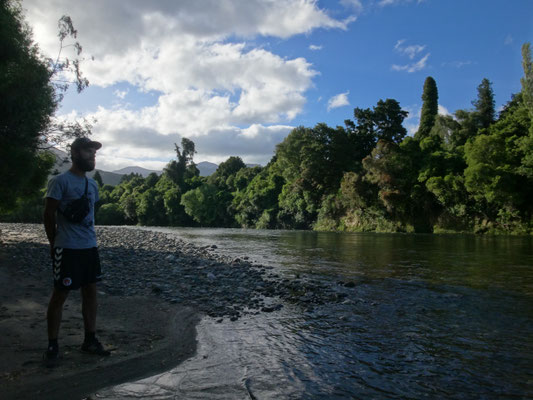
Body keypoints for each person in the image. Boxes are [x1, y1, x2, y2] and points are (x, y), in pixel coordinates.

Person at [43, 137, 110, 366]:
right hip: (67, 247)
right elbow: (48, 214)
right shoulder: (59, 181)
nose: (93, 155)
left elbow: (91, 215)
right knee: (60, 293)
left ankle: (90, 340)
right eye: (88, 151)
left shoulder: (93, 185)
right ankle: (52, 344)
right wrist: (54, 244)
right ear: (74, 153)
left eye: (94, 152)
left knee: (90, 292)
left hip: (89, 247)